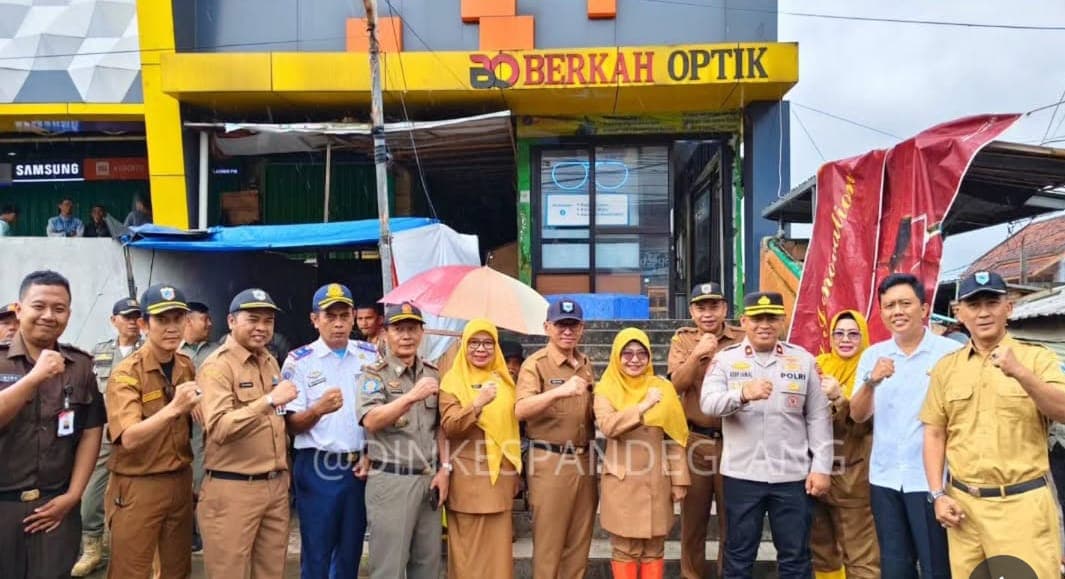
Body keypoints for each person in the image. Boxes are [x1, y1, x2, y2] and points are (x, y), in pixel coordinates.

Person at [921, 270, 1065, 578]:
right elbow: (934, 433)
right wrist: (937, 494)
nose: (984, 313)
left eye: (992, 303)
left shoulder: (1036, 359)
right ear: (960, 313)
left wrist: (1021, 373)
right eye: (974, 305)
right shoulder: (947, 369)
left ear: (1008, 308)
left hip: (1021, 507)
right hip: (963, 511)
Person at [701, 291, 833, 579]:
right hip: (742, 475)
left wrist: (822, 467)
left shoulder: (803, 361)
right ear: (744, 321)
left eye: (772, 318)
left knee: (796, 556)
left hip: (792, 477)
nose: (765, 324)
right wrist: (742, 394)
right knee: (738, 555)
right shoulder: (725, 360)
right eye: (757, 318)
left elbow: (819, 417)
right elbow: (708, 403)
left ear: (782, 321)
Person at [849, 273, 960, 579]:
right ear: (882, 313)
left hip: (932, 481)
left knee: (938, 565)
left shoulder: (948, 354)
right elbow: (857, 415)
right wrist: (872, 381)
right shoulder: (873, 355)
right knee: (895, 567)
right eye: (889, 305)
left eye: (905, 303)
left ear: (924, 309)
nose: (897, 311)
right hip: (884, 478)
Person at [0, 270, 105, 579]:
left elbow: (91, 431)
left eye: (59, 309)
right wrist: (34, 378)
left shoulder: (80, 365)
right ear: (19, 310)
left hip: (55, 508)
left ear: (69, 314)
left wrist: (73, 496)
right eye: (39, 306)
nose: (49, 315)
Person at [197, 288, 297, 578]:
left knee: (271, 572)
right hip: (233, 488)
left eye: (268, 321)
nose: (261, 328)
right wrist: (268, 400)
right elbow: (219, 427)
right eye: (253, 319)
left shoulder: (269, 360)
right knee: (230, 572)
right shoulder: (218, 366)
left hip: (275, 485)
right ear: (231, 321)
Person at [104, 284, 199, 578]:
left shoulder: (185, 364)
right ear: (144, 324)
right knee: (130, 570)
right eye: (162, 320)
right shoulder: (126, 373)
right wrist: (174, 408)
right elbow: (129, 437)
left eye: (178, 319)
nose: (171, 328)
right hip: (138, 484)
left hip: (179, 480)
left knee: (177, 569)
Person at [283, 283, 378, 579]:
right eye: (330, 316)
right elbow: (291, 423)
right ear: (315, 319)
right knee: (317, 550)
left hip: (359, 466)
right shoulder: (299, 360)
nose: (338, 323)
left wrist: (371, 451)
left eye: (344, 315)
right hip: (317, 464)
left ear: (353, 318)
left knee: (350, 550)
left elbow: (378, 411)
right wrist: (317, 410)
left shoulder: (369, 355)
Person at [356, 302, 450, 579]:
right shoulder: (374, 375)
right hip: (391, 480)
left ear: (422, 333)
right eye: (399, 329)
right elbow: (370, 420)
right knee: (389, 568)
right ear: (385, 333)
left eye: (412, 329)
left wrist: (445, 469)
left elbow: (440, 427)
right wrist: (410, 397)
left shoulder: (432, 373)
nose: (406, 335)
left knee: (428, 566)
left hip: (428, 479)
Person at [595, 327, 691, 579]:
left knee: (654, 547)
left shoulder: (663, 387)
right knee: (625, 548)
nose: (635, 359)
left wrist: (679, 479)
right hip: (622, 481)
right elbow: (608, 426)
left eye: (641, 353)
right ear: (616, 356)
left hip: (657, 480)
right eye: (627, 353)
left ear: (649, 357)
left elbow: (674, 437)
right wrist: (644, 405)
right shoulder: (606, 388)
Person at [515, 298, 599, 579]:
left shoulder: (586, 364)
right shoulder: (535, 365)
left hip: (584, 459)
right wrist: (559, 391)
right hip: (550, 459)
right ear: (547, 327)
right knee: (549, 545)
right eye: (561, 325)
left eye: (573, 325)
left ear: (581, 328)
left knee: (579, 543)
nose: (567, 331)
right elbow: (521, 409)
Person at [666, 282, 742, 579]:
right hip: (695, 441)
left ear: (725, 308)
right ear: (691, 311)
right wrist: (698, 353)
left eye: (714, 306)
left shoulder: (741, 338)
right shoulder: (683, 341)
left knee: (732, 523)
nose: (708, 314)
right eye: (701, 307)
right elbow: (675, 386)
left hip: (735, 440)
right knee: (693, 524)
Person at [439, 318, 522, 578]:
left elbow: (513, 429)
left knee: (498, 557)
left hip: (502, 478)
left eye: (488, 342)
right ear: (464, 345)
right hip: (468, 481)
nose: (481, 349)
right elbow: (450, 426)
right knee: (468, 556)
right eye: (474, 342)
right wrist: (478, 404)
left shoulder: (505, 381)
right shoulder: (452, 381)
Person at [72, 297, 145, 577]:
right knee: (91, 493)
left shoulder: (151, 350)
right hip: (103, 434)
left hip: (139, 433)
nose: (132, 321)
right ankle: (93, 548)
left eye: (137, 316)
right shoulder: (99, 352)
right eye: (126, 316)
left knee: (140, 494)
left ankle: (143, 553)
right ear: (113, 320)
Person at [810, 310, 879, 579]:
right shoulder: (818, 364)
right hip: (814, 473)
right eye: (839, 333)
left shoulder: (872, 369)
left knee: (860, 555)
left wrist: (840, 399)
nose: (845, 339)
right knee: (821, 551)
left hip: (854, 475)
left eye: (853, 333)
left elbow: (866, 424)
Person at [178, 301, 219, 553]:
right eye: (205, 319)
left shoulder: (218, 350)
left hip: (206, 427)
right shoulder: (174, 351)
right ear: (189, 321)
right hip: (177, 426)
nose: (210, 324)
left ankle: (204, 531)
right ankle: (187, 531)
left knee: (204, 478)